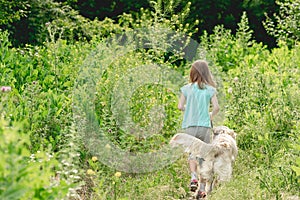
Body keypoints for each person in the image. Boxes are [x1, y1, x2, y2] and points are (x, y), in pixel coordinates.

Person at [178, 60, 220, 198]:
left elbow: (180, 107)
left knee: (192, 153)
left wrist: (188, 109)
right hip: (205, 126)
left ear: (192, 72)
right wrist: (210, 116)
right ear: (206, 73)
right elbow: (216, 108)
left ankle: (193, 177)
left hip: (190, 125)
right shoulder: (210, 89)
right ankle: (202, 188)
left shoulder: (186, 89)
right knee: (203, 156)